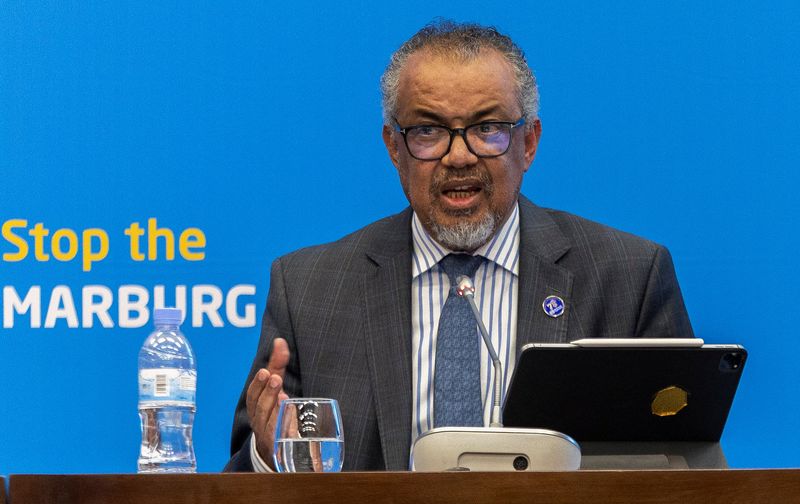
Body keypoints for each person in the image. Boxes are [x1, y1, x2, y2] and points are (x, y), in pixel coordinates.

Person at [225, 20, 694, 472]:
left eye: (487, 128)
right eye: (428, 131)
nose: (459, 156)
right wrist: (268, 457)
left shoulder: (628, 277)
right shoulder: (310, 289)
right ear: (393, 147)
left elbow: (679, 467)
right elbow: (245, 476)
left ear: (528, 143)